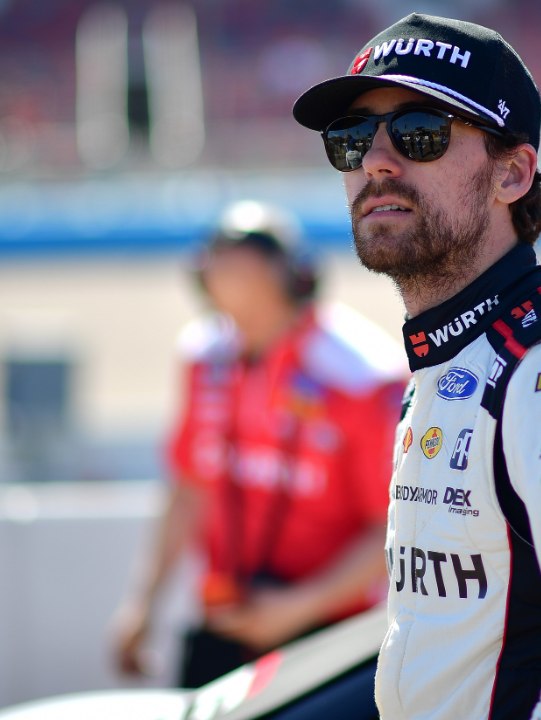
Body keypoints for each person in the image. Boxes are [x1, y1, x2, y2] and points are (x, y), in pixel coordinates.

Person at [291, 13, 541, 720]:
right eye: (352, 139)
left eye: (421, 132)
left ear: (512, 173)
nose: (376, 162)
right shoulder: (457, 361)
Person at [112, 200, 406, 688]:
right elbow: (189, 488)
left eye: (247, 266)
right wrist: (144, 603)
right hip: (227, 620)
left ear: (294, 276)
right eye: (221, 266)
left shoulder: (363, 376)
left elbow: (396, 526)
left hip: (334, 635)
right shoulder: (202, 357)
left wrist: (299, 607)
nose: (231, 278)